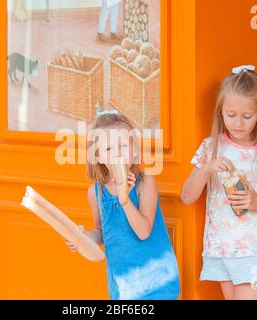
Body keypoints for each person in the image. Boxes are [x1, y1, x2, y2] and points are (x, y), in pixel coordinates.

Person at [181, 65, 257, 300]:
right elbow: (186, 197)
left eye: (246, 116)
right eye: (230, 115)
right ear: (221, 112)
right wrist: (207, 168)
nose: (237, 123)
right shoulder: (210, 147)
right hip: (223, 247)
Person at [67, 112, 180, 300]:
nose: (118, 152)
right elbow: (100, 231)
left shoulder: (145, 184)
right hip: (124, 285)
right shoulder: (95, 193)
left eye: (124, 146)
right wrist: (81, 238)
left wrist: (125, 199)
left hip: (157, 280)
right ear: (98, 156)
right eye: (109, 148)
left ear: (134, 150)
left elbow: (144, 231)